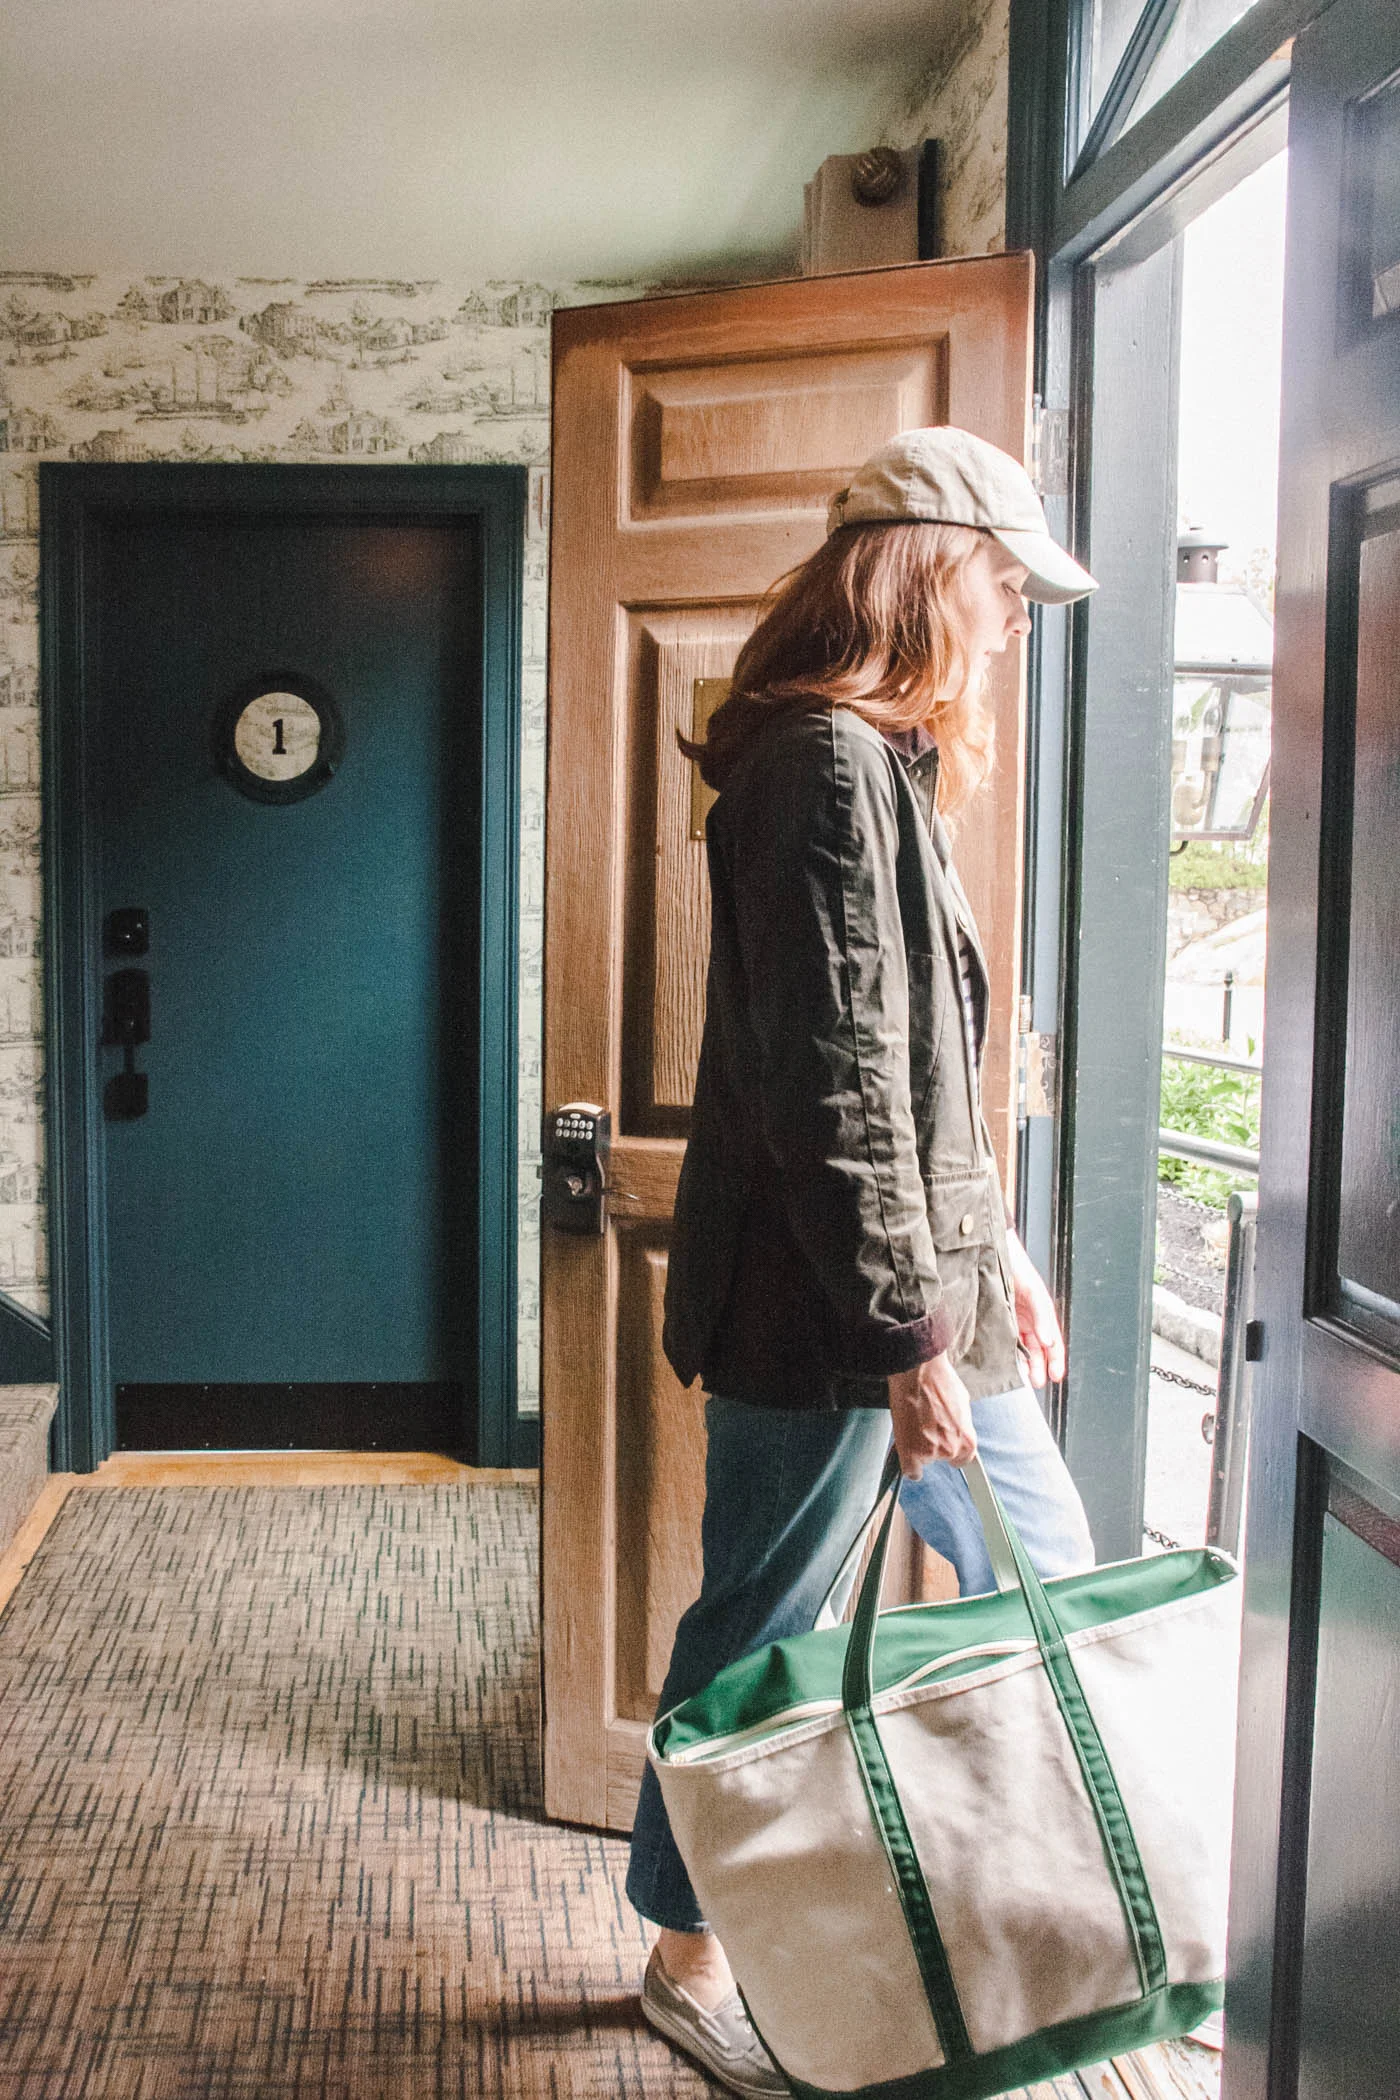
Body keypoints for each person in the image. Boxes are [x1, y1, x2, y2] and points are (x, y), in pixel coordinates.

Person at [629, 426, 1100, 2097]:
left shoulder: (872, 764)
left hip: (920, 1291)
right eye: (1007, 585)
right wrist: (906, 1338)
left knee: (1046, 1594)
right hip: (829, 1317)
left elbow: (918, 1074)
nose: (1018, 622)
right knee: (763, 1634)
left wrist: (1001, 1249)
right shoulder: (816, 767)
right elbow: (833, 1083)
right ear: (925, 573)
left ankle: (1036, 1926)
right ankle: (688, 1951)